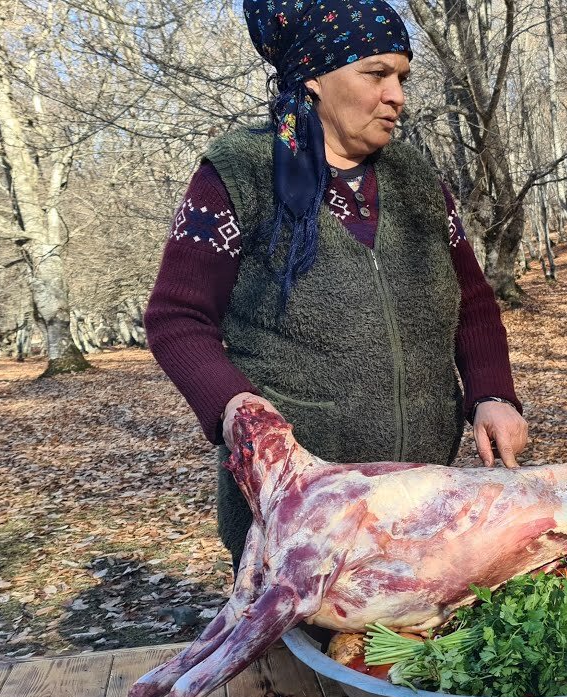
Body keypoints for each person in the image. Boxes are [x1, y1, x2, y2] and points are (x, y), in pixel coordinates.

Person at [144, 0, 528, 569]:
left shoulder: (417, 180)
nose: (396, 94)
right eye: (376, 73)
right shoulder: (241, 174)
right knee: (304, 659)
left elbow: (471, 303)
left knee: (406, 652)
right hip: (296, 512)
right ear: (316, 77)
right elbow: (176, 317)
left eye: (402, 77)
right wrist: (234, 407)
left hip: (420, 500)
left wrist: (492, 393)